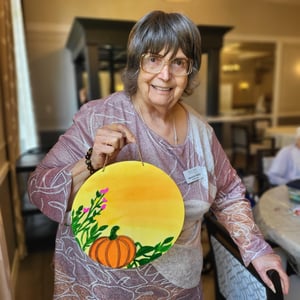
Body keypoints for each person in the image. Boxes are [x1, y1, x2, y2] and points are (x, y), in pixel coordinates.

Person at [27, 10, 289, 299]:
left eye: (178, 62)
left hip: (178, 289)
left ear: (189, 71)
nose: (165, 75)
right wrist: (90, 163)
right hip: (101, 288)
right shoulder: (98, 116)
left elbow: (227, 194)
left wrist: (256, 249)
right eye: (153, 59)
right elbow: (39, 188)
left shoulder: (201, 132)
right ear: (137, 63)